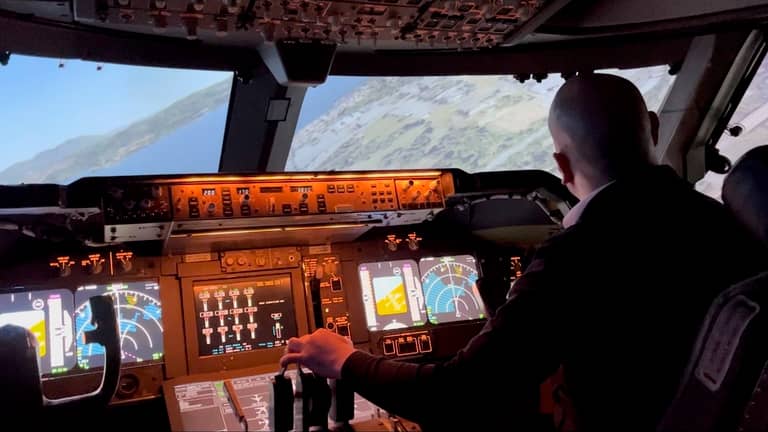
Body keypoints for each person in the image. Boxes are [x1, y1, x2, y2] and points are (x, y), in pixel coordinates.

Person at [280, 74, 768, 431]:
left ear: (560, 164)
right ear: (654, 130)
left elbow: (458, 396)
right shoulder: (725, 221)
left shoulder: (579, 256)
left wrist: (344, 360)